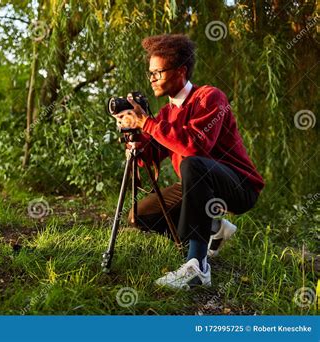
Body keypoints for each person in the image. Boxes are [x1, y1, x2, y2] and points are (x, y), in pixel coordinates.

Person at [113, 34, 264, 289]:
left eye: (158, 72)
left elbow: (196, 145)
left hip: (239, 187)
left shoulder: (210, 97)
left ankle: (197, 266)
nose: (152, 79)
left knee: (192, 163)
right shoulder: (166, 114)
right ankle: (213, 227)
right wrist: (136, 138)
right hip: (198, 188)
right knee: (140, 215)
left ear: (181, 71)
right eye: (150, 73)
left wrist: (147, 123)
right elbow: (152, 156)